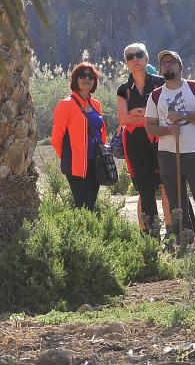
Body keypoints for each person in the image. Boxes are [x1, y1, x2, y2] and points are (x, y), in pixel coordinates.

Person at [145, 50, 195, 240]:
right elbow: (150, 128)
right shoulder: (155, 96)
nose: (167, 65)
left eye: (171, 62)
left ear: (181, 66)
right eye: (163, 63)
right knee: (176, 201)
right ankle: (184, 242)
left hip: (193, 152)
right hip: (167, 154)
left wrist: (184, 115)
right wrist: (168, 130)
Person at [117, 43, 166, 236]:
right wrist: (148, 114)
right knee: (145, 190)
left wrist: (137, 113)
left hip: (160, 140)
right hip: (135, 143)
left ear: (147, 58)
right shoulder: (123, 89)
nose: (135, 59)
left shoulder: (160, 82)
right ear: (127, 63)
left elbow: (164, 113)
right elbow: (122, 119)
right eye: (130, 57)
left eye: (139, 55)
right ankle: (151, 236)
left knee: (167, 186)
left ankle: (176, 231)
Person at [51, 63, 108, 210]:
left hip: (95, 163)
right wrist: (69, 157)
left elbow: (100, 132)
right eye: (82, 75)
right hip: (76, 165)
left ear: (95, 81)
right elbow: (57, 138)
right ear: (75, 79)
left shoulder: (96, 104)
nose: (87, 78)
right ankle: (80, 231)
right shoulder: (66, 105)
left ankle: (88, 231)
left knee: (91, 203)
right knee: (82, 204)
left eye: (91, 76)